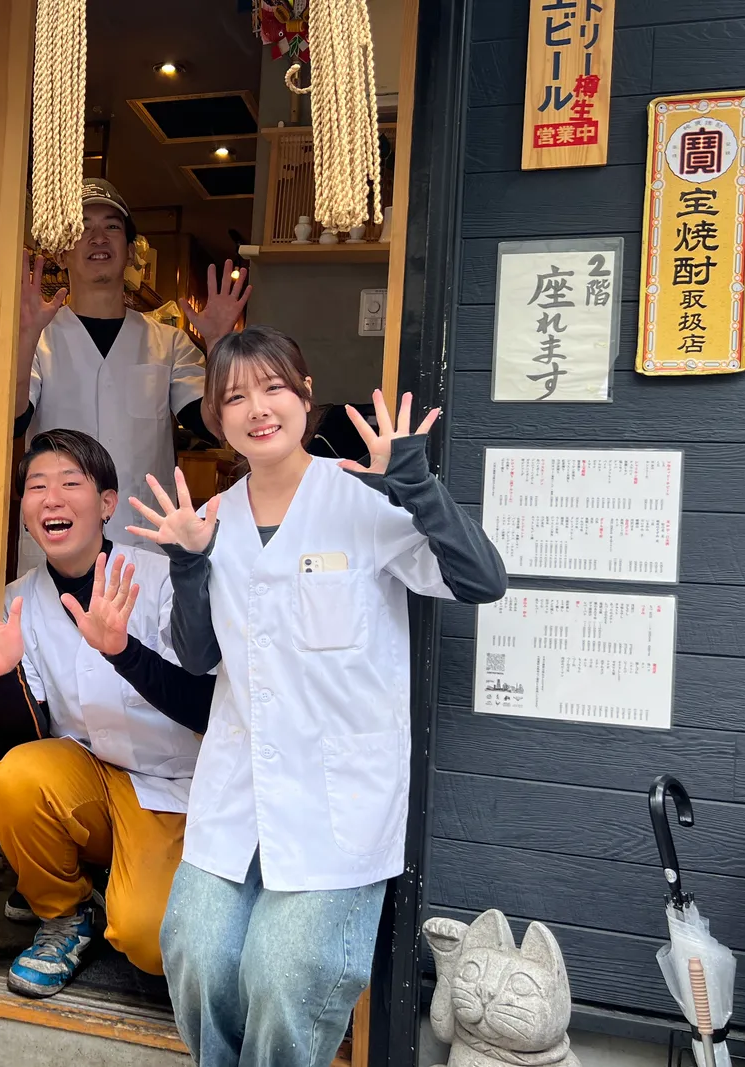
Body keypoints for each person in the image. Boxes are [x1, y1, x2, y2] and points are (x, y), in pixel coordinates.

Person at [126, 327, 506, 1067]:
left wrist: (418, 486)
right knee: (196, 951)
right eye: (234, 396)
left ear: (305, 396)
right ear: (216, 416)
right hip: (239, 793)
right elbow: (200, 656)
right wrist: (188, 564)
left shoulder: (361, 498)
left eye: (273, 388)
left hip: (339, 799)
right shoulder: (212, 519)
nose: (257, 408)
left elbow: (482, 579)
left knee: (285, 972)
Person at [0, 429, 216, 998]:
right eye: (36, 487)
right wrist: (3, 675)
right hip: (89, 779)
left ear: (108, 504)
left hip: (172, 788)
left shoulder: (160, 580)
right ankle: (66, 916)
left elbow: (208, 706)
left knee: (150, 940)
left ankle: (126, 888)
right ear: (22, 512)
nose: (51, 499)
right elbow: (30, 742)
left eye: (71, 483)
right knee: (17, 776)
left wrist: (123, 653)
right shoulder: (20, 599)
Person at [14, 178, 251, 573]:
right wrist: (23, 339)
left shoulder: (168, 343)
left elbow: (214, 425)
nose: (98, 237)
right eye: (83, 228)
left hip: (142, 544)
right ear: (64, 252)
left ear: (131, 251)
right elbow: (13, 420)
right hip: (55, 538)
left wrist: (219, 344)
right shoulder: (40, 340)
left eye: (112, 226)